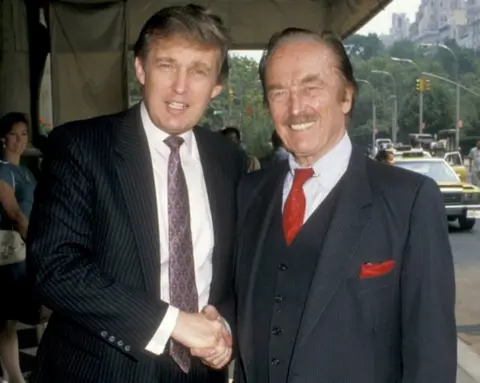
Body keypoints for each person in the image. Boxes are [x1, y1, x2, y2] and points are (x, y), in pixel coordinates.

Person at [27, 4, 244, 383]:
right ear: (141, 70)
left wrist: (220, 324)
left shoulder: (230, 161)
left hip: (197, 373)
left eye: (198, 71)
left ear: (217, 86)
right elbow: (53, 267)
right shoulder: (82, 146)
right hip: (100, 370)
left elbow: (235, 270)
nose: (181, 86)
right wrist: (173, 323)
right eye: (167, 65)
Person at [231, 28, 456, 383]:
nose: (295, 108)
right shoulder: (248, 193)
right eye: (279, 92)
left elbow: (431, 359)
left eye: (311, 87)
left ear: (346, 96)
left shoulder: (411, 200)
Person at [0, 112, 38, 383]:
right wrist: (35, 240)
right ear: (3, 137)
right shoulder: (3, 169)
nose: (19, 139)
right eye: (14, 133)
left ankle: (11, 375)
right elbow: (14, 212)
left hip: (22, 250)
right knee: (6, 316)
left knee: (10, 317)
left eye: (24, 134)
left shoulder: (24, 171)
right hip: (10, 249)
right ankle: (14, 377)